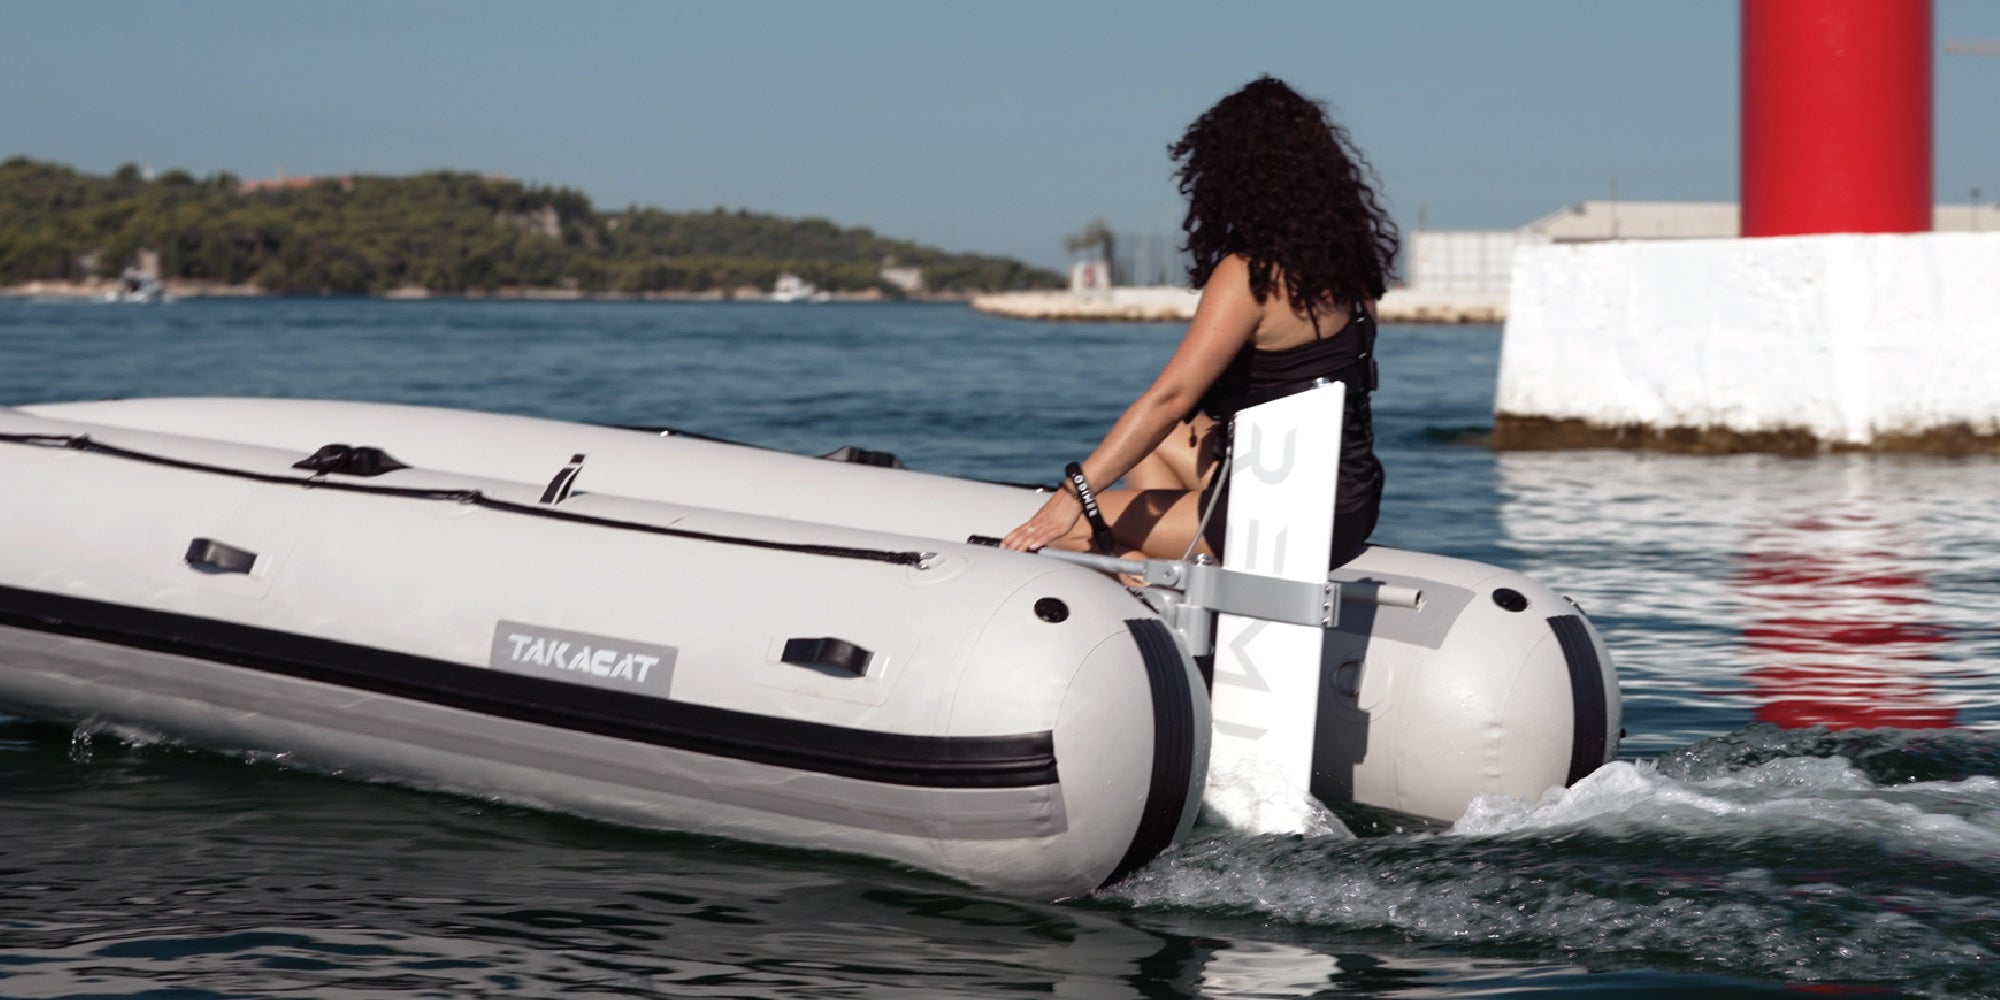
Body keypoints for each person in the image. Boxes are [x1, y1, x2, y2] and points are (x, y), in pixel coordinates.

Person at [1000, 75, 1397, 567]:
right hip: (1352, 502)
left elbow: (1170, 398)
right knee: (1156, 443)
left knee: (1069, 527)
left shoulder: (1249, 274)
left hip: (1281, 515)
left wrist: (1069, 495)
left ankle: (1150, 589)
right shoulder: (1354, 272)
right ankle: (1180, 568)